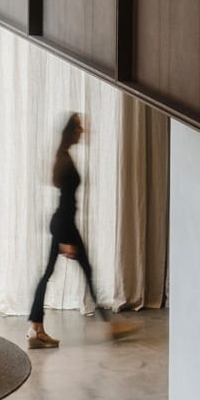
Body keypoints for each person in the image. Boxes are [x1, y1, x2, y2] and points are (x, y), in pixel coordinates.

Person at [27, 112, 139, 348]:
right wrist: (65, 240)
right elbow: (67, 202)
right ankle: (107, 326)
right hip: (64, 224)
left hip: (63, 222)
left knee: (58, 273)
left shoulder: (63, 155)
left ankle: (36, 328)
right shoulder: (65, 159)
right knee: (77, 271)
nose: (82, 132)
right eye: (79, 128)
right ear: (71, 131)